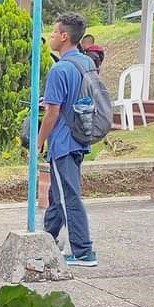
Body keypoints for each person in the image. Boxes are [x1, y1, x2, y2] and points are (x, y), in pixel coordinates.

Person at [37, 12, 97, 267]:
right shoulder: (87, 64)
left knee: (67, 197)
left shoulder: (59, 69)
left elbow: (52, 114)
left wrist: (39, 140)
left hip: (63, 142)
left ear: (64, 36)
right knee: (56, 194)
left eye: (54, 32)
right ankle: (48, 240)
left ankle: (83, 251)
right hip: (80, 137)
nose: (50, 36)